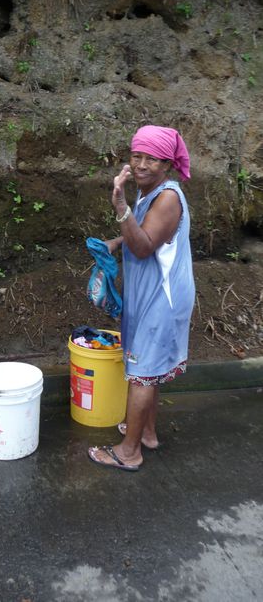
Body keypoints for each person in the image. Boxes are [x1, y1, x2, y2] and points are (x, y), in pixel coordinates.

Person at [88, 125, 195, 472]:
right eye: (137, 156)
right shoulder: (149, 192)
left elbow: (145, 245)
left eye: (152, 158)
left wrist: (119, 204)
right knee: (147, 369)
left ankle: (129, 452)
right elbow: (143, 232)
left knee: (142, 374)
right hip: (149, 295)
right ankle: (146, 432)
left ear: (167, 164)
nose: (142, 164)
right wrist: (115, 243)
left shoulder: (167, 197)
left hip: (161, 299)